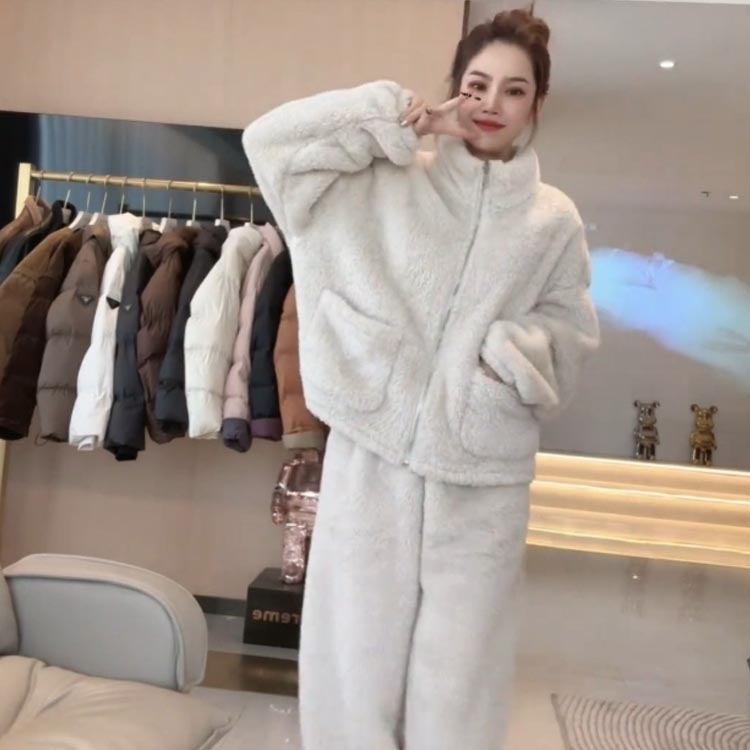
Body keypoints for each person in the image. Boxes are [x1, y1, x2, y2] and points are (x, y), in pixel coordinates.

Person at [243, 7, 599, 750]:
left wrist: (502, 362)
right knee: (354, 662)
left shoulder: (553, 220)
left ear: (537, 103)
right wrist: (400, 121)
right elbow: (270, 147)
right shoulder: (388, 183)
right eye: (477, 84)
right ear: (454, 87)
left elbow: (570, 338)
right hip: (374, 456)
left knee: (461, 676)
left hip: (483, 472)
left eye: (514, 90)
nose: (491, 104)